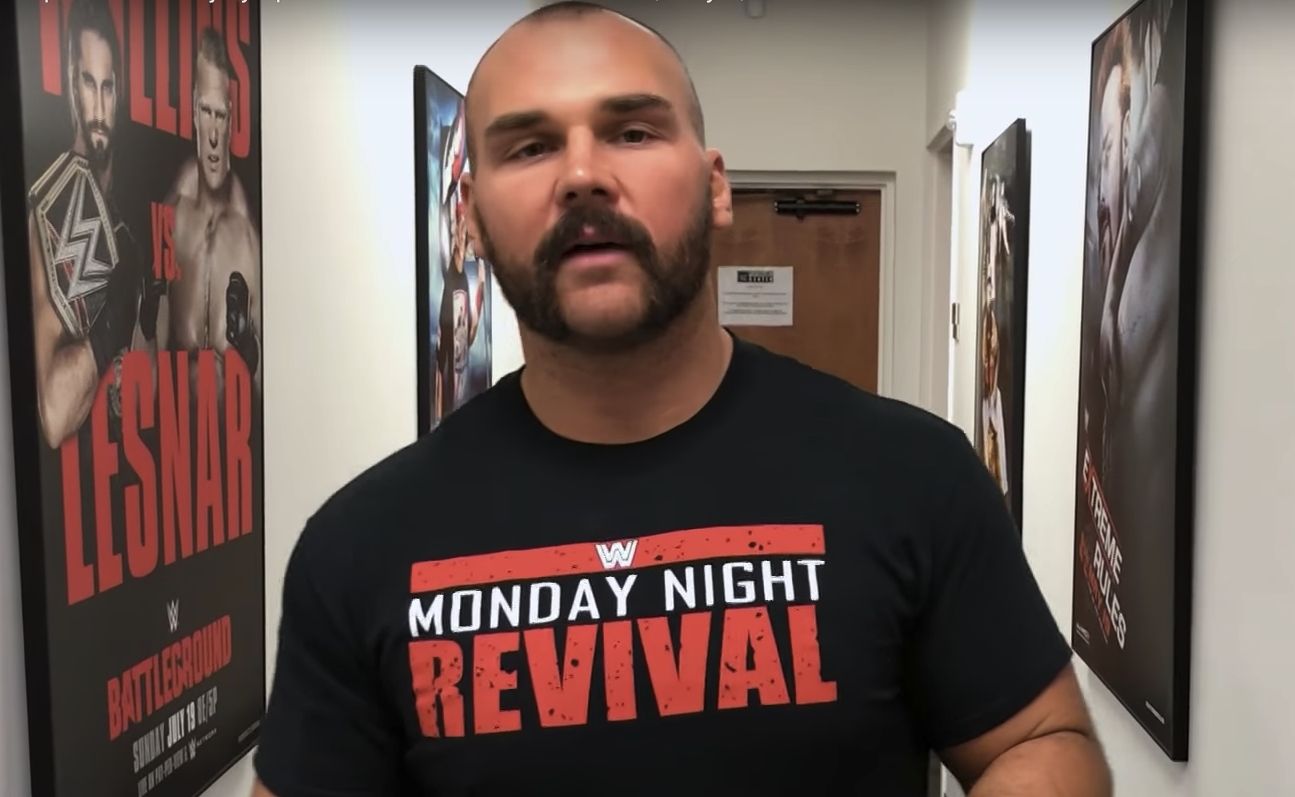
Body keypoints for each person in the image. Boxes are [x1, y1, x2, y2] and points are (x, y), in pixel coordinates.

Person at [252, 3, 1112, 795]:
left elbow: (1036, 740)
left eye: (631, 131)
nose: (582, 175)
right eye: (529, 147)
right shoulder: (358, 548)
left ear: (714, 186)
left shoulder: (912, 474)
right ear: (469, 219)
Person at [27, 0, 144, 450]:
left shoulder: (128, 211)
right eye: (87, 83)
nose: (98, 107)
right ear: (71, 84)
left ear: (119, 92)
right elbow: (54, 415)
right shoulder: (56, 210)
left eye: (107, 87)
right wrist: (111, 320)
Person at [143, 26, 262, 391]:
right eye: (206, 112)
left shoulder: (247, 237)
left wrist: (249, 347)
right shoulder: (170, 215)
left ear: (232, 120)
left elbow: (263, 384)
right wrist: (146, 316)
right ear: (194, 112)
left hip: (232, 426)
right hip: (174, 425)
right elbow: (149, 358)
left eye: (220, 116)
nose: (212, 135)